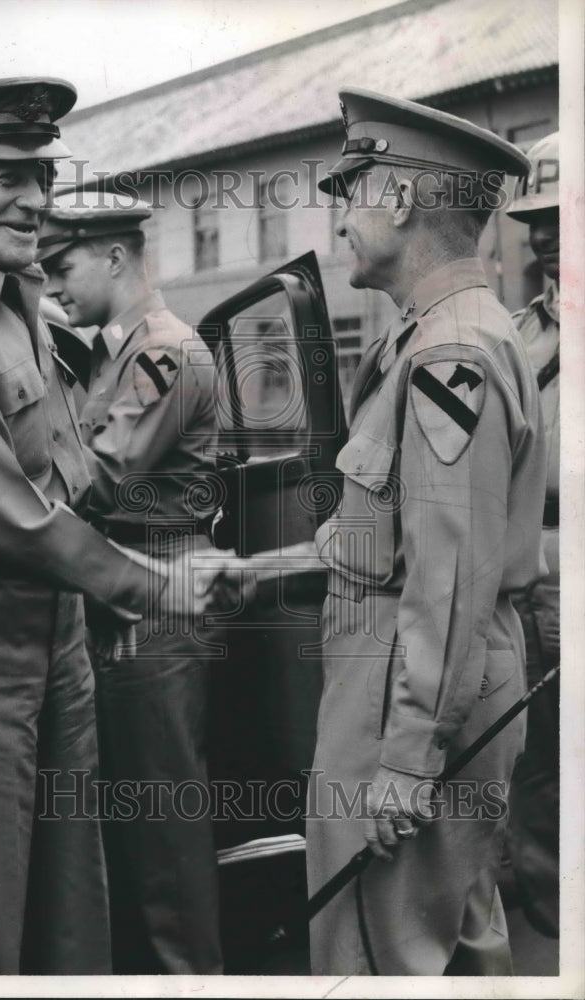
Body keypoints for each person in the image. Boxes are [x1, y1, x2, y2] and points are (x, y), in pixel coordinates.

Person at [0, 78, 232, 975]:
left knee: (71, 918)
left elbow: (69, 470)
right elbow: (2, 512)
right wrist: (145, 581)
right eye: (6, 175)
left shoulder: (15, 302)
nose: (33, 200)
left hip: (51, 628)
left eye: (42, 176)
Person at [306, 88, 547, 975]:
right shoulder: (447, 335)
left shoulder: (449, 355)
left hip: (406, 695)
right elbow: (403, 534)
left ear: (400, 201)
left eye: (351, 187)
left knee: (376, 955)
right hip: (440, 683)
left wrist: (407, 757)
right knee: (459, 946)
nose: (338, 213)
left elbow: (446, 583)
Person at [36, 193, 223, 974]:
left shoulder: (162, 353)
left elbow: (101, 479)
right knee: (128, 822)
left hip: (155, 594)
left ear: (115, 256)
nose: (51, 285)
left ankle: (193, 979)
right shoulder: (116, 353)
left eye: (62, 265)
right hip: (126, 589)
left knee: (163, 829)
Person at [503, 131, 560, 939]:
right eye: (536, 217)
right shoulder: (517, 334)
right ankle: (555, 919)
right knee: (538, 756)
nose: (544, 232)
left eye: (563, 214)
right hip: (533, 563)